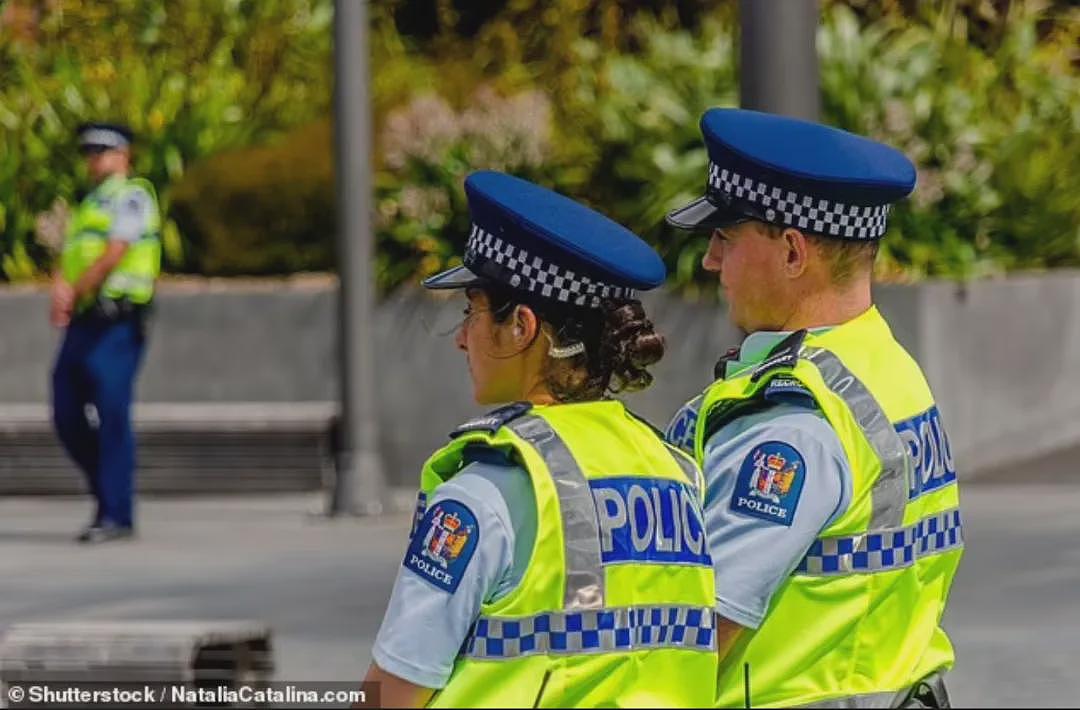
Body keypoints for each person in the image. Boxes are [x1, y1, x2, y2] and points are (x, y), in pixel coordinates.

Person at [363, 171, 718, 708]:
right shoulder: (676, 473)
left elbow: (392, 692)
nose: (461, 338)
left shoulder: (487, 492)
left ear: (523, 327)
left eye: (472, 312)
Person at [663, 109, 962, 709]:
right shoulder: (883, 366)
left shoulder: (791, 423)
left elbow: (697, 638)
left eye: (725, 238)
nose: (710, 262)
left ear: (794, 253)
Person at [50, 122, 162, 544]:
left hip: (118, 320)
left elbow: (117, 250)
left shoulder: (132, 195)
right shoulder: (89, 202)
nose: (95, 160)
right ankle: (107, 492)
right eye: (90, 153)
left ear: (124, 154)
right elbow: (72, 252)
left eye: (103, 151)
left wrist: (75, 289)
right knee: (65, 410)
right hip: (84, 321)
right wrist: (60, 287)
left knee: (112, 412)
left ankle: (117, 513)